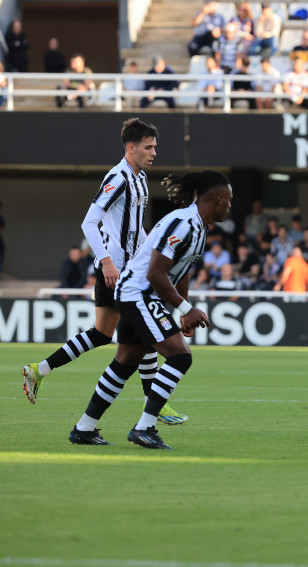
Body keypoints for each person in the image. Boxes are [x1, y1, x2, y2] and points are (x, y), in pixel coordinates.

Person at [24, 118, 188, 425]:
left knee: (103, 334)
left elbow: (134, 226)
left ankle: (39, 370)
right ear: (131, 147)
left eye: (155, 147)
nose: (154, 152)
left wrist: (148, 251)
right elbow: (89, 221)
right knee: (146, 332)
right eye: (148, 147)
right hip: (117, 272)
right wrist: (106, 261)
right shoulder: (119, 177)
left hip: (127, 270)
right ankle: (155, 405)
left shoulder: (139, 178)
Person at [66, 171, 230, 448]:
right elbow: (156, 273)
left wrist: (182, 310)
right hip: (138, 294)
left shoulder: (199, 228)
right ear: (218, 199)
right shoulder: (183, 223)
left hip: (141, 295)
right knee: (180, 357)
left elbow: (182, 269)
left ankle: (84, 428)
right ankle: (145, 428)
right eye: (229, 200)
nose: (229, 206)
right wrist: (186, 308)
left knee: (124, 363)